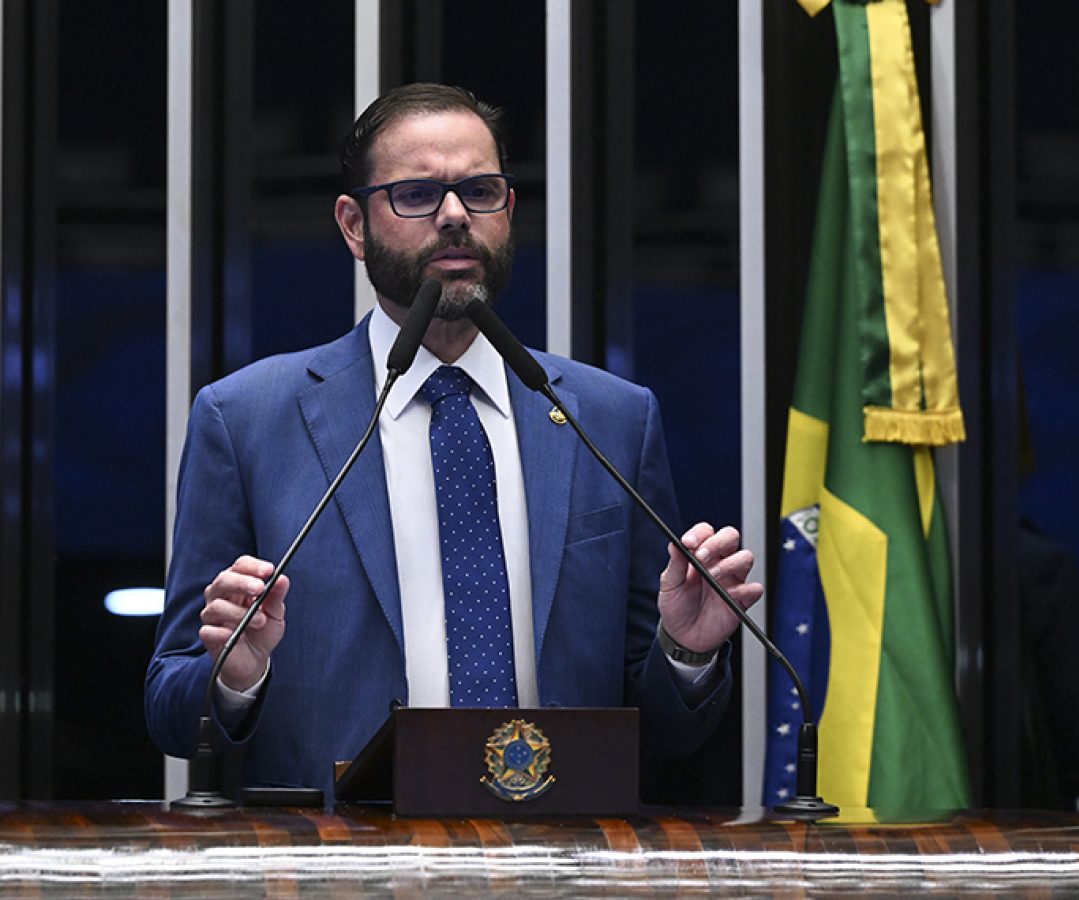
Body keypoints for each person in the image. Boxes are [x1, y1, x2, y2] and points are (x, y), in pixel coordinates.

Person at [145, 83, 763, 800]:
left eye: (480, 190)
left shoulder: (611, 419)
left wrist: (685, 650)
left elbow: (663, 731)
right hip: (340, 862)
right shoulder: (247, 419)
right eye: (416, 194)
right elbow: (170, 710)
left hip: (560, 857)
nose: (454, 216)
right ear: (353, 225)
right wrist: (236, 677)